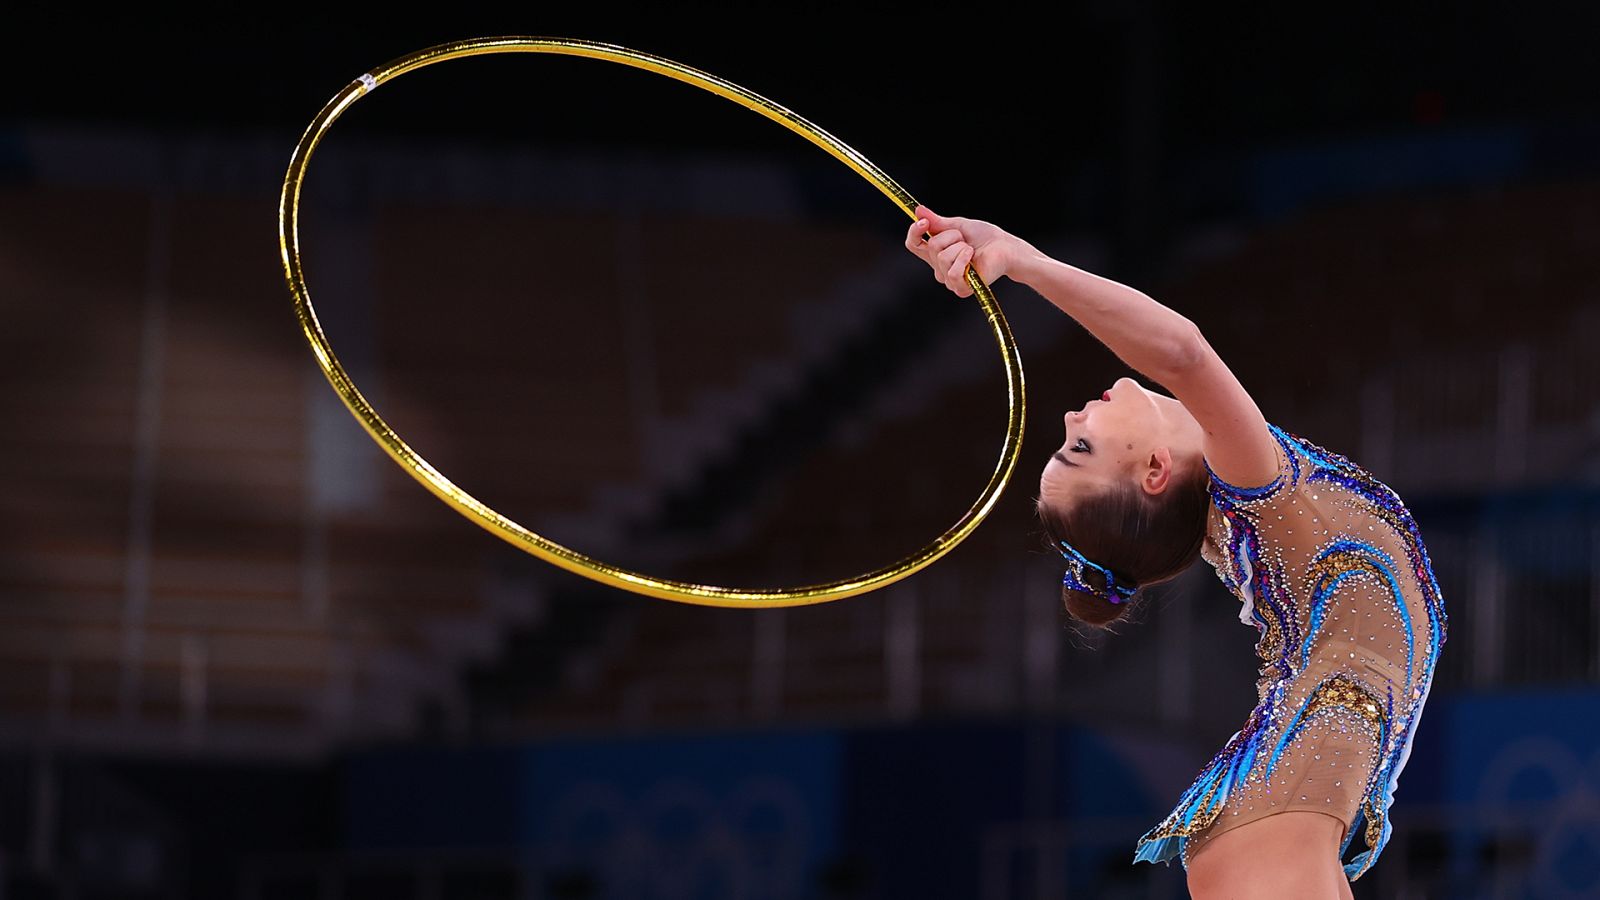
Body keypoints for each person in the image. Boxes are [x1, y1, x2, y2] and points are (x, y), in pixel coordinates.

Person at [903, 206, 1446, 898]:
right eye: (1081, 447)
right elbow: (1182, 352)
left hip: (1281, 801)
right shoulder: (1256, 490)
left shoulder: (1239, 513)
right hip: (1278, 807)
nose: (1072, 416)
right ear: (1154, 472)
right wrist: (1021, 258)